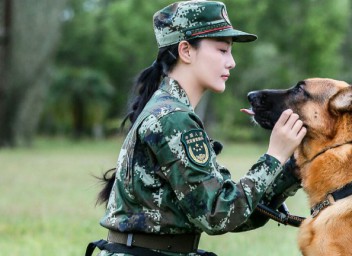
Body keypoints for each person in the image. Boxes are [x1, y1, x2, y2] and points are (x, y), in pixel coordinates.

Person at [85, 1, 306, 255]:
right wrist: (275, 156)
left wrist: (292, 170)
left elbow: (235, 214)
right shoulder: (173, 119)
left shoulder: (171, 111)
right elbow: (216, 215)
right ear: (186, 51)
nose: (231, 62)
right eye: (222, 50)